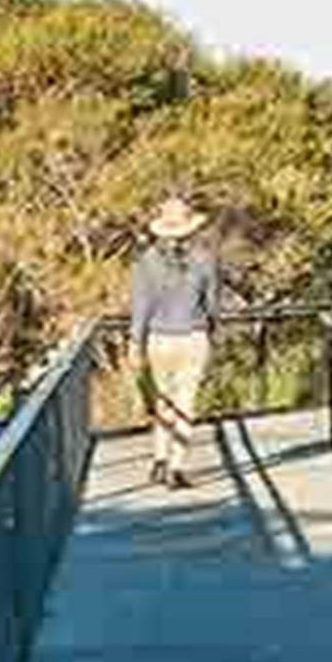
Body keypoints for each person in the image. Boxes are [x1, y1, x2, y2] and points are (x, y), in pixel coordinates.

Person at [129, 196, 220, 488]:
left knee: (162, 401)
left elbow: (140, 307)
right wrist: (212, 331)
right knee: (185, 402)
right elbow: (213, 305)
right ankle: (176, 467)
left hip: (158, 339)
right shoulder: (205, 259)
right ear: (191, 228)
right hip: (193, 337)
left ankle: (158, 459)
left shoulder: (146, 261)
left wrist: (135, 342)